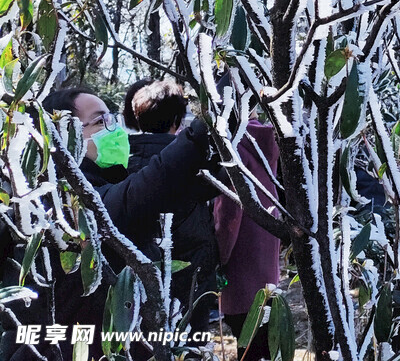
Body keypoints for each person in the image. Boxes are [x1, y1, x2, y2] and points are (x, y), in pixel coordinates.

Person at [0, 85, 215, 361]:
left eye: (112, 119)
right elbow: (139, 192)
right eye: (100, 121)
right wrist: (206, 123)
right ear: (61, 135)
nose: (114, 129)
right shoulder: (54, 202)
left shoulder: (103, 183)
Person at [127, 80, 219, 333]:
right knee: (190, 347)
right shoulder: (194, 165)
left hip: (137, 282)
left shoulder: (119, 162)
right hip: (190, 283)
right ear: (178, 120)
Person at [213, 114, 281, 359]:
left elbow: (229, 215)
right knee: (263, 340)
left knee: (248, 341)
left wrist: (217, 258)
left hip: (241, 265)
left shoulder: (234, 145)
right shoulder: (263, 141)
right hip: (264, 258)